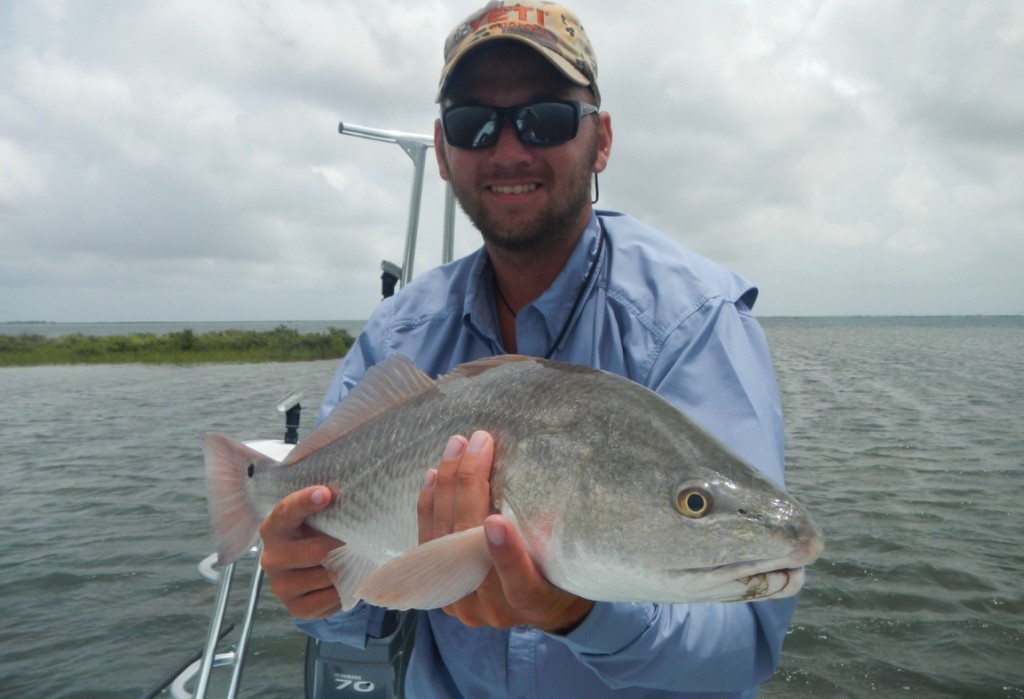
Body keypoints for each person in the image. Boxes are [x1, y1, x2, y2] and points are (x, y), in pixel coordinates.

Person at [258, 1, 799, 696]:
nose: (508, 150)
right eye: (472, 124)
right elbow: (345, 608)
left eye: (544, 117)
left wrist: (578, 613)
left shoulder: (693, 323)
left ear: (601, 140)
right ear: (445, 152)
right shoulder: (397, 333)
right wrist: (315, 587)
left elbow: (741, 647)